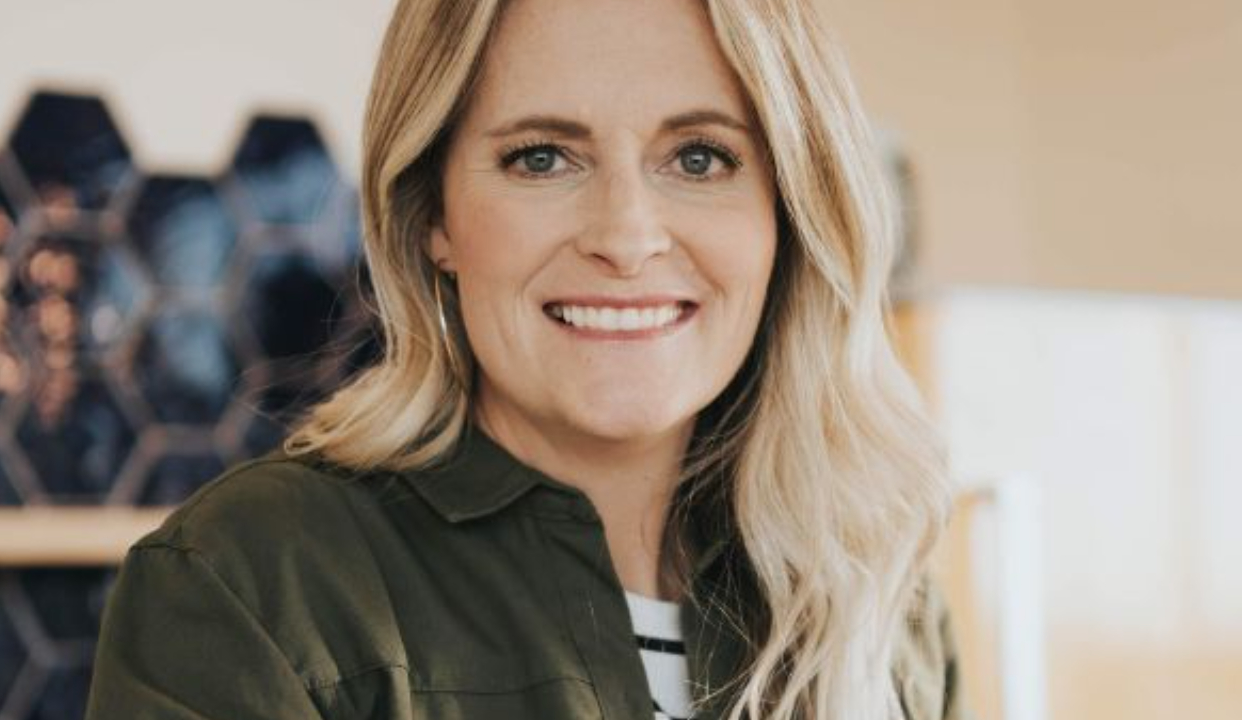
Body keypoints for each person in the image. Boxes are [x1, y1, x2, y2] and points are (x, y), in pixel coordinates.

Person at [85, 0, 966, 718]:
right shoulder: (247, 581)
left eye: (700, 158)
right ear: (432, 214)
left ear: (788, 211)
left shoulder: (881, 603)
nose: (627, 236)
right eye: (542, 158)